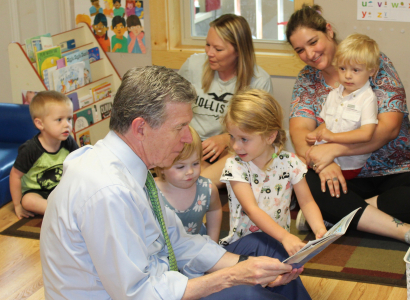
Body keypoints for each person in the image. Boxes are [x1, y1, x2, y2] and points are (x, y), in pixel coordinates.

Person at [40, 66, 311, 300]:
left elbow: (178, 241)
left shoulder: (132, 170)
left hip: (161, 277)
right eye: (179, 127)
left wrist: (249, 266)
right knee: (249, 294)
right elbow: (139, 294)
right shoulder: (108, 192)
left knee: (265, 249)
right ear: (141, 128)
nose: (186, 138)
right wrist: (232, 277)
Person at [286, 4, 410, 243]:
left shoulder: (373, 61)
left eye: (313, 42)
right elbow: (299, 131)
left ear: (329, 31)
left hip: (398, 169)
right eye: (300, 50)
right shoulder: (307, 79)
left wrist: (334, 149)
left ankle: (338, 215)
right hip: (347, 176)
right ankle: (401, 230)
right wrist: (324, 164)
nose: (309, 54)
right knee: (306, 180)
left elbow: (388, 128)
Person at [219, 89, 327, 257]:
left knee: (288, 273)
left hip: (277, 243)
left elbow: (306, 203)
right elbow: (252, 210)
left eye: (244, 139)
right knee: (270, 261)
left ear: (270, 137)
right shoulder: (235, 166)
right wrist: (285, 237)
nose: (235, 146)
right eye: (232, 137)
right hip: (244, 246)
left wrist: (320, 230)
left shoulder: (290, 163)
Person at [178, 14, 273, 188]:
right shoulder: (193, 65)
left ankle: (196, 191)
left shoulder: (259, 80)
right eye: (207, 45)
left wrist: (225, 138)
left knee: (202, 181)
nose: (209, 53)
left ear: (238, 51)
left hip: (232, 149)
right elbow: (171, 109)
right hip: (191, 144)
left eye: (218, 49)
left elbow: (260, 133)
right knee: (188, 175)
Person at [306, 33, 379, 180]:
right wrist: (317, 134)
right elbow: (327, 123)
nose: (348, 76)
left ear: (371, 71)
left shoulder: (367, 98)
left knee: (309, 181)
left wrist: (333, 137)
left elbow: (366, 133)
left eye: (355, 70)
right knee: (297, 171)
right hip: (326, 157)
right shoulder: (333, 95)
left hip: (348, 165)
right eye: (342, 69)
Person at [10, 91, 78, 220]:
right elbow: (15, 175)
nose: (67, 125)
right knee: (28, 201)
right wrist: (17, 205)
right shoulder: (30, 149)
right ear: (40, 124)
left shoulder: (68, 141)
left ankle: (62, 208)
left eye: (69, 119)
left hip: (60, 188)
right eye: (59, 120)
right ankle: (59, 211)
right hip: (37, 193)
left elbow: (80, 163)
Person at [154, 126, 222, 243]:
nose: (190, 171)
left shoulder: (207, 189)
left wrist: (213, 243)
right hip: (163, 254)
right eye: (181, 167)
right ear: (161, 167)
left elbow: (214, 210)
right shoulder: (150, 191)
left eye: (195, 163)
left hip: (197, 250)